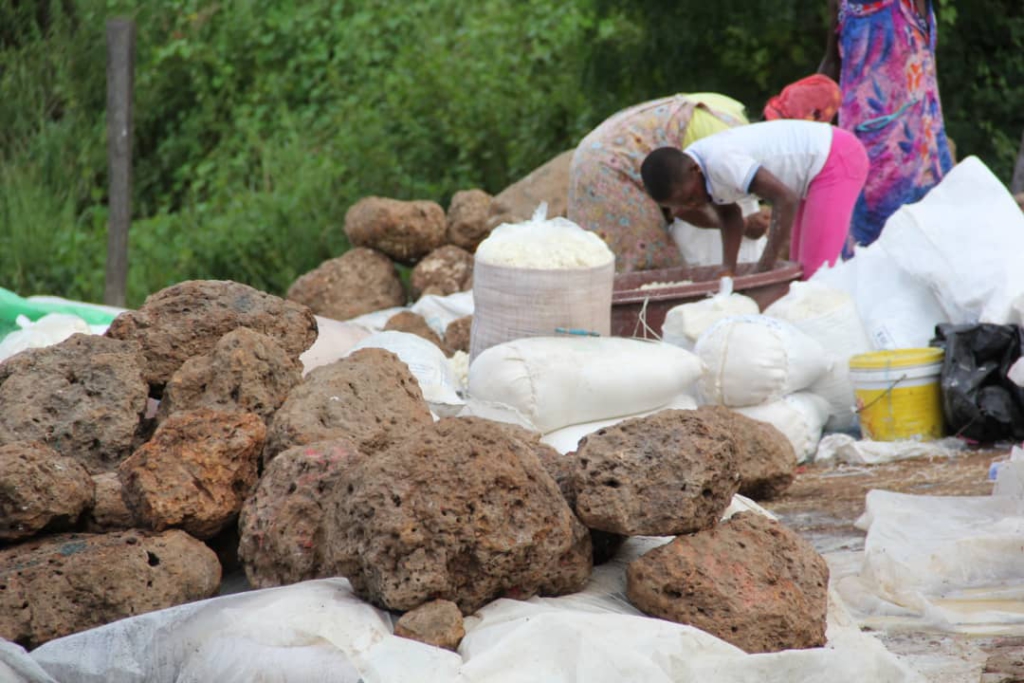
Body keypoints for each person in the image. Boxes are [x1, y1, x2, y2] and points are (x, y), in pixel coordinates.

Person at [639, 119, 868, 280]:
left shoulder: (720, 161)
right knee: (798, 270)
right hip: (812, 175)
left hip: (835, 159)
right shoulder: (691, 171)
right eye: (683, 205)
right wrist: (728, 271)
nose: (694, 205)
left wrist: (765, 264)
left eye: (690, 197)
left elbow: (784, 199)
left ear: (694, 169)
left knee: (815, 274)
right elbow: (730, 217)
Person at [568, 93, 767, 273]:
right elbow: (681, 208)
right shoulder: (724, 147)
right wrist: (744, 225)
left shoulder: (732, 113)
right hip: (605, 167)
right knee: (647, 262)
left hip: (606, 148)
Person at [819, 0, 954, 252]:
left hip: (914, 149)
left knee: (919, 240)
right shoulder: (843, 4)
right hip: (862, 150)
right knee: (867, 247)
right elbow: (831, 63)